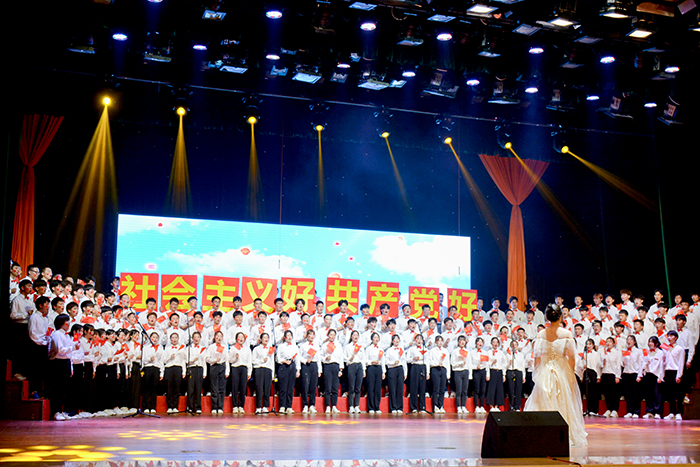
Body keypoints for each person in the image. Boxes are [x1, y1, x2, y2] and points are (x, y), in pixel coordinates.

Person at [524, 304, 587, 447]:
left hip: (545, 371)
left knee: (542, 401)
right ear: (560, 317)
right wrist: (570, 375)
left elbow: (537, 358)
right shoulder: (567, 334)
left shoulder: (541, 334)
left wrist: (536, 373)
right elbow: (571, 357)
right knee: (562, 402)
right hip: (561, 371)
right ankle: (561, 434)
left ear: (547, 317)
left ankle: (541, 434)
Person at [639, 336, 664, 419]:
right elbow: (643, 363)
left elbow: (661, 365)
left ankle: (658, 412)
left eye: (652, 342)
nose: (650, 343)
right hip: (648, 374)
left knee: (657, 394)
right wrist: (645, 366)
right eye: (649, 342)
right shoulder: (647, 352)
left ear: (656, 343)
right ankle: (650, 411)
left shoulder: (660, 352)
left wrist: (660, 376)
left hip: (656, 375)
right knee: (648, 394)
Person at [276, 330, 299, 414]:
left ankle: (289, 406)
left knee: (290, 387)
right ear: (284, 337)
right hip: (283, 366)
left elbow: (297, 359)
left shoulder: (295, 347)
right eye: (287, 335)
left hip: (292, 366)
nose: (289, 337)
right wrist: (284, 361)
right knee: (283, 387)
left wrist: (298, 370)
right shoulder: (281, 346)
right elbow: (277, 358)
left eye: (290, 335)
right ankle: (282, 406)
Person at [229, 331, 252, 414]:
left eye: (242, 337)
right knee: (235, 387)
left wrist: (249, 372)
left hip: (244, 368)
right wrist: (235, 358)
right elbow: (230, 360)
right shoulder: (233, 348)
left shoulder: (247, 349)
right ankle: (235, 406)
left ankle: (241, 406)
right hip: (235, 367)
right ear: (236, 339)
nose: (241, 339)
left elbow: (249, 361)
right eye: (239, 337)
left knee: (243, 387)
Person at [252, 332, 275, 414]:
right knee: (259, 388)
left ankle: (265, 406)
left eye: (267, 338)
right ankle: (258, 406)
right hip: (259, 369)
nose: (266, 339)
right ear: (261, 339)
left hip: (268, 369)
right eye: (264, 337)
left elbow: (272, 362)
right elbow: (253, 360)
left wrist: (273, 374)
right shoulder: (256, 349)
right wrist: (262, 361)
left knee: (267, 388)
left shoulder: (270, 349)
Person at [207, 330, 229, 414]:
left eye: (220, 336)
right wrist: (214, 360)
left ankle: (220, 407)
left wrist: (227, 371)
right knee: (214, 387)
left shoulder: (224, 347)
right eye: (217, 336)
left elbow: (227, 359)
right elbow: (207, 358)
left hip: (222, 366)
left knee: (221, 388)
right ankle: (214, 406)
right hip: (214, 366)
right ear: (214, 337)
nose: (219, 338)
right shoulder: (211, 347)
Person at [384, 334, 407, 414]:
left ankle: (400, 407)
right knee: (392, 388)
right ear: (392, 341)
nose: (396, 341)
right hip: (392, 369)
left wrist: (405, 372)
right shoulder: (389, 350)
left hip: (400, 369)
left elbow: (404, 362)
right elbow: (386, 361)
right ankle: (393, 407)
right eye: (395, 339)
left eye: (398, 339)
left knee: (400, 389)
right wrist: (393, 363)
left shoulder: (401, 350)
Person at [343, 330, 365, 414]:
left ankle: (357, 406)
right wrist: (349, 359)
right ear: (351, 336)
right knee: (351, 387)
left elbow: (363, 359)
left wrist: (364, 369)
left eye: (357, 335)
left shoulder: (361, 347)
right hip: (351, 365)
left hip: (359, 366)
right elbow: (344, 357)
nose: (355, 337)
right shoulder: (348, 346)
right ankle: (351, 406)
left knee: (358, 388)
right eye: (354, 335)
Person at [600, 337, 621, 418]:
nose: (608, 343)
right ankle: (608, 409)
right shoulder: (603, 352)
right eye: (607, 342)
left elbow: (618, 365)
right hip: (605, 373)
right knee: (607, 393)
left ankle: (615, 410)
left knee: (614, 393)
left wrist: (618, 376)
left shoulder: (616, 352)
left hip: (612, 374)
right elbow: (600, 364)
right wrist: (602, 363)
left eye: (610, 342)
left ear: (613, 343)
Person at [428, 335, 450, 413]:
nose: (440, 342)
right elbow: (429, 361)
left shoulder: (445, 351)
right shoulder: (432, 351)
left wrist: (448, 374)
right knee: (435, 388)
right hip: (435, 369)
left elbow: (447, 362)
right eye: (438, 341)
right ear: (436, 342)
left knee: (442, 389)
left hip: (443, 369)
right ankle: (435, 406)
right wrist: (436, 363)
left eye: (441, 341)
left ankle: (441, 406)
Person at [451, 335, 471, 414]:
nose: (462, 342)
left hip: (465, 371)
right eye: (461, 340)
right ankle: (458, 407)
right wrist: (460, 363)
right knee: (458, 390)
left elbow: (469, 363)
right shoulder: (455, 351)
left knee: (465, 391)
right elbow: (453, 363)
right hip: (458, 371)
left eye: (464, 340)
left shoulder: (467, 351)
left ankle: (464, 406)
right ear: (458, 342)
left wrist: (470, 374)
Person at [469, 337, 489, 413]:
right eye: (478, 342)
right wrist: (475, 367)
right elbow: (470, 364)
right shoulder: (472, 352)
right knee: (476, 390)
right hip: (476, 372)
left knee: (483, 390)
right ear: (475, 343)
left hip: (483, 371)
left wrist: (488, 374)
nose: (480, 344)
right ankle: (477, 406)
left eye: (481, 342)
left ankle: (482, 406)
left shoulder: (485, 352)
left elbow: (487, 364)